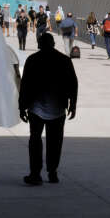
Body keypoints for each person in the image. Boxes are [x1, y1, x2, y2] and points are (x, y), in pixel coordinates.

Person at [19, 32, 77, 185]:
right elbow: (73, 83)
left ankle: (35, 174)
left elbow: (24, 85)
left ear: (39, 45)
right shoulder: (64, 60)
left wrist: (21, 106)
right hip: (57, 109)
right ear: (53, 44)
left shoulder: (33, 60)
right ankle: (52, 172)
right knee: (55, 142)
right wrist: (73, 104)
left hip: (35, 108)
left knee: (35, 141)